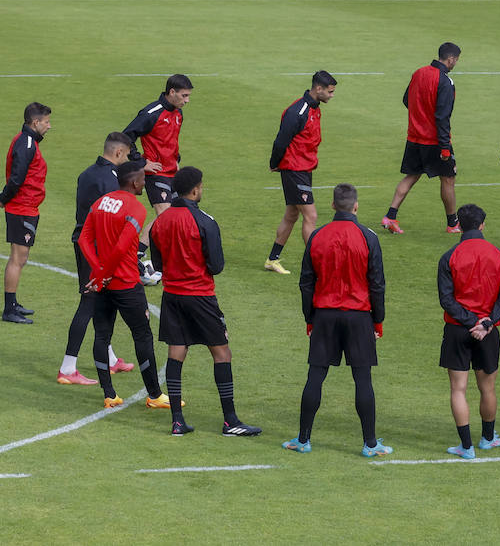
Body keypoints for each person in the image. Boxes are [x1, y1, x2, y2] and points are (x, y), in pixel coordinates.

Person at [148, 167, 262, 437]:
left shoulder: (160, 222)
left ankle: (177, 420)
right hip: (200, 295)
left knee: (177, 352)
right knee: (222, 353)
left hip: (172, 296)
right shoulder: (205, 221)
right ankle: (230, 420)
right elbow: (217, 265)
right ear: (195, 190)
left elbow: (158, 263)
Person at [286, 184, 388, 456]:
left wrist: (310, 318)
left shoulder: (318, 236)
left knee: (315, 376)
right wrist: (377, 320)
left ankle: (303, 440)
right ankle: (370, 444)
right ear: (356, 206)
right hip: (358, 317)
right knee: (363, 379)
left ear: (332, 206)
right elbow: (377, 284)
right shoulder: (368, 237)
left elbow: (306, 282)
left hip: (325, 315)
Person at [76, 158, 168, 411]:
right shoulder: (136, 209)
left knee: (102, 335)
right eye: (143, 179)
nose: (145, 182)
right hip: (125, 284)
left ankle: (109, 395)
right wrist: (105, 272)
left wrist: (97, 272)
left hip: (102, 284)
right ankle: (155, 395)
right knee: (142, 335)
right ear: (134, 181)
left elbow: (84, 239)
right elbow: (121, 247)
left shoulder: (100, 203)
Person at [436, 204, 500, 459]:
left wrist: (470, 321)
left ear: (459, 224)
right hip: (488, 333)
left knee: (458, 389)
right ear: (482, 225)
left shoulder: (450, 256)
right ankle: (488, 439)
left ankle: (466, 447)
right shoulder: (499, 256)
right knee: (487, 388)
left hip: (457, 330)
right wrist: (486, 323)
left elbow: (447, 300)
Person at [58, 132, 134, 384]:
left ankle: (110, 358)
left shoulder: (87, 173)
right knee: (89, 303)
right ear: (118, 153)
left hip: (83, 241)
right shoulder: (111, 181)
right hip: (96, 247)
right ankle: (68, 368)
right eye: (128, 155)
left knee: (103, 301)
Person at [383, 43, 461, 235]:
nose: (456, 64)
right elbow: (442, 117)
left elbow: (406, 100)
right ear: (450, 59)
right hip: (434, 141)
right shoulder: (445, 82)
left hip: (414, 137)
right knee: (448, 179)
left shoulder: (418, 73)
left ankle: (390, 217)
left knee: (411, 176)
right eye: (456, 60)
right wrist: (445, 148)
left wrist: (419, 116)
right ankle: (453, 224)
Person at [265, 71, 338, 275]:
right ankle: (317, 264)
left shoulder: (314, 108)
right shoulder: (298, 111)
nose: (332, 95)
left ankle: (272, 259)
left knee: (291, 214)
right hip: (294, 169)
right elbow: (281, 140)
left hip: (304, 168)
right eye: (330, 92)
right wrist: (274, 163)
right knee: (311, 215)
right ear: (318, 89)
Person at [124, 74, 194, 285]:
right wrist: (141, 162)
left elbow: (171, 141)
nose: (187, 100)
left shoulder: (178, 113)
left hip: (173, 171)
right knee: (165, 216)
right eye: (184, 95)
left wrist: (177, 162)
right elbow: (126, 136)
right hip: (156, 174)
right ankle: (137, 255)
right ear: (171, 92)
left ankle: (145, 255)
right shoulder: (151, 112)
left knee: (174, 214)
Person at [0, 102, 52, 324]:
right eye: (46, 122)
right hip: (22, 208)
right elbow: (16, 178)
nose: (49, 126)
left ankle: (13, 303)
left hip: (26, 207)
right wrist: (4, 199)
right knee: (18, 259)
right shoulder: (26, 144)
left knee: (20, 258)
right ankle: (9, 310)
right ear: (35, 122)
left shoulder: (26, 141)